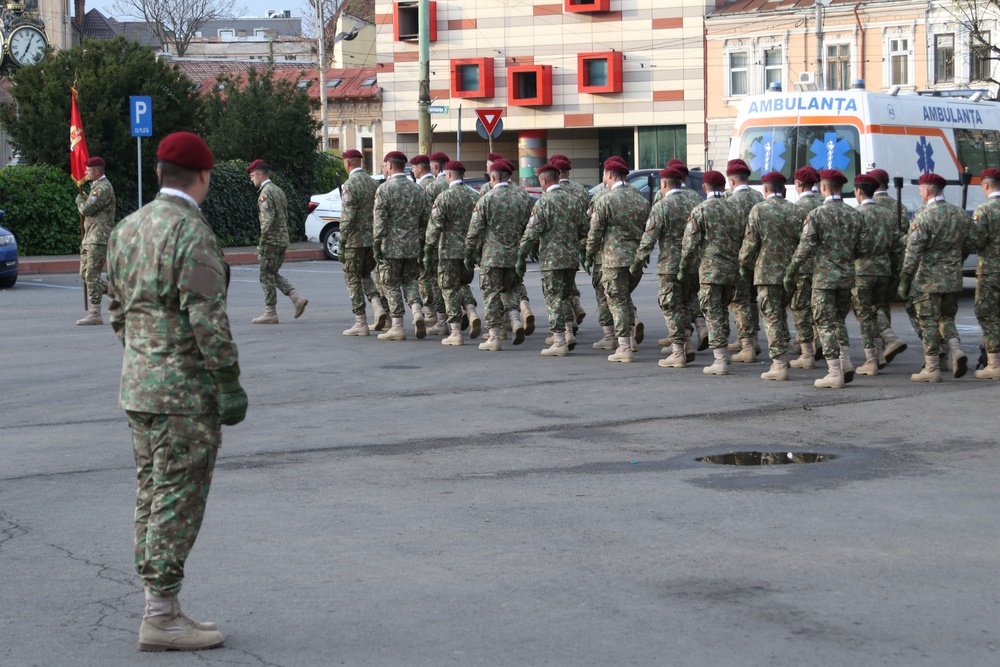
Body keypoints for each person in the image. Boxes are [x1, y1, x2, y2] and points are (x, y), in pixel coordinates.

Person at [106, 131, 245, 652]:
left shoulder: (127, 228)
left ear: (162, 175)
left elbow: (116, 309)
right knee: (178, 500)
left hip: (138, 387)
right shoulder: (192, 233)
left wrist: (145, 354)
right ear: (203, 176)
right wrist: (229, 386)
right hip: (183, 396)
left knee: (152, 493)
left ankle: (159, 606)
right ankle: (160, 616)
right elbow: (208, 321)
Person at [784, 169, 867, 388]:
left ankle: (833, 372)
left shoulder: (818, 214)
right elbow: (862, 248)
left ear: (823, 187)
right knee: (839, 321)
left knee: (824, 324)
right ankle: (845, 360)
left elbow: (806, 246)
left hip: (824, 278)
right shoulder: (855, 214)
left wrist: (792, 268)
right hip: (846, 277)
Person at [898, 172, 977, 382]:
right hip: (952, 277)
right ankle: (955, 349)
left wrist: (905, 279)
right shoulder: (959, 214)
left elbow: (913, 250)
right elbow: (972, 242)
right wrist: (956, 258)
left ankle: (932, 367)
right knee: (947, 317)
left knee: (929, 322)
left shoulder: (924, 216)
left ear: (926, 190)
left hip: (928, 279)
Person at [738, 171, 804, 381]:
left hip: (766, 272)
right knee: (782, 315)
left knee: (772, 317)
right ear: (783, 189)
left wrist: (745, 265)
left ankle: (778, 363)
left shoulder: (759, 210)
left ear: (765, 189)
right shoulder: (795, 210)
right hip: (790, 273)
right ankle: (783, 356)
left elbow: (750, 244)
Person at [585, 156, 651, 363]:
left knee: (618, 301)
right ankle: (629, 340)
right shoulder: (639, 198)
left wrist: (588, 254)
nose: (603, 177)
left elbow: (595, 232)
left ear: (610, 175)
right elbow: (647, 229)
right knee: (624, 298)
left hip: (613, 260)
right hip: (635, 259)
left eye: (604, 173)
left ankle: (624, 346)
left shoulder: (605, 199)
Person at [632, 167, 699, 368]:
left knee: (671, 307)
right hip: (693, 264)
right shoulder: (696, 202)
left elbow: (649, 237)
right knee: (687, 304)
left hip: (670, 264)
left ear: (663, 184)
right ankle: (687, 344)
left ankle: (678, 351)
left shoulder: (662, 206)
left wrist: (638, 261)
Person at [518, 162, 587, 356]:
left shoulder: (544, 202)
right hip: (571, 259)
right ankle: (567, 332)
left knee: (553, 299)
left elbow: (532, 232)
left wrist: (521, 254)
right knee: (565, 297)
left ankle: (559, 341)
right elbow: (585, 229)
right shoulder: (573, 201)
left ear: (543, 180)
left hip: (552, 260)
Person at [679, 170, 743, 375]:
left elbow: (690, 246)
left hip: (710, 271)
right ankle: (723, 352)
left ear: (704, 187)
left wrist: (683, 269)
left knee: (713, 313)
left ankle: (720, 359)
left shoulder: (701, 210)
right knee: (723, 310)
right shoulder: (736, 208)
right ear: (724, 186)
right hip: (732, 270)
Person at [466, 158, 532, 351]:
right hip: (514, 254)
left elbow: (474, 230)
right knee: (510, 290)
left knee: (492, 295)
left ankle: (494, 335)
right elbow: (530, 227)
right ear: (509, 176)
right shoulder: (523, 197)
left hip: (492, 256)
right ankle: (514, 319)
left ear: (493, 177)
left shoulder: (486, 199)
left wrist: (470, 253)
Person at [373, 151, 431, 340]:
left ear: (389, 166)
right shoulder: (417, 189)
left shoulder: (385, 189)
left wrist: (376, 244)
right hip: (412, 245)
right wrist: (420, 241)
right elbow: (425, 219)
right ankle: (417, 311)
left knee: (390, 284)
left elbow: (380, 220)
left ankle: (397, 325)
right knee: (410, 281)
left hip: (391, 246)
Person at [424, 160, 482, 345]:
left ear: (448, 175)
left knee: (448, 289)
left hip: (448, 252)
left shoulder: (444, 197)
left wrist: (428, 250)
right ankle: (471, 311)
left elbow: (434, 227)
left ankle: (456, 331)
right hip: (468, 252)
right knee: (463, 285)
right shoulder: (475, 197)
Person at [247, 159, 308, 324]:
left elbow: (267, 221)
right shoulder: (278, 190)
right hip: (282, 238)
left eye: (253, 175)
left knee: (265, 274)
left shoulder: (265, 193)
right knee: (271, 272)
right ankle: (296, 298)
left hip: (272, 240)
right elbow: (285, 215)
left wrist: (262, 244)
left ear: (260, 174)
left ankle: (270, 312)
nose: (251, 179)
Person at [851, 173, 896, 375]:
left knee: (864, 315)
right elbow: (897, 242)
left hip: (862, 270)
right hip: (883, 268)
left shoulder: (856, 214)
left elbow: (852, 245)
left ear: (859, 191)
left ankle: (871, 359)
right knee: (876, 309)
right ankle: (879, 352)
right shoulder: (887, 213)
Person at [339, 149, 386, 336]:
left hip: (354, 241)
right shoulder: (373, 183)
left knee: (352, 279)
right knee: (365, 274)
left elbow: (348, 216)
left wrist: (342, 241)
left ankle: (360, 322)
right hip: (371, 239)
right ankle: (377, 305)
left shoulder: (350, 185)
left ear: (347, 163)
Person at [725, 158, 765, 362]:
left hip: (738, 257)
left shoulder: (730, 203)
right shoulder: (759, 197)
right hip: (758, 257)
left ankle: (746, 343)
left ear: (731, 181)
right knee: (751, 299)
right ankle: (753, 338)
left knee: (739, 301)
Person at [868, 168, 910, 363]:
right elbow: (903, 236)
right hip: (893, 263)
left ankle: (880, 346)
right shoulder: (899, 206)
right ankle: (885, 346)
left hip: (872, 264)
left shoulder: (870, 207)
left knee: (873, 305)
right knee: (884, 304)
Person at [788, 166, 823, 368]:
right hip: (823, 267)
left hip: (803, 266)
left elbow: (794, 239)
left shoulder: (797, 208)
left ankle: (806, 353)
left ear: (799, 184)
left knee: (801, 309)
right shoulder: (824, 204)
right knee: (821, 309)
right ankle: (822, 343)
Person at [75, 156, 117, 325]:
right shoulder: (95, 187)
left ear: (97, 171)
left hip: (98, 237)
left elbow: (87, 209)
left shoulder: (103, 188)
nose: (85, 173)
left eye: (88, 170)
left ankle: (95, 313)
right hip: (90, 237)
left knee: (92, 275)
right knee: (84, 274)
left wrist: (80, 202)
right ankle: (120, 294)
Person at [551, 154, 589, 327]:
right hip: (576, 242)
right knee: (569, 279)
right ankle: (576, 303)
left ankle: (566, 324)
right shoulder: (580, 190)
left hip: (555, 245)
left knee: (558, 288)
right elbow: (587, 219)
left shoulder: (553, 191)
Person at [413, 154, 447, 332]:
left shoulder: (428, 188)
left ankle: (433, 313)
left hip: (433, 239)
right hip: (454, 242)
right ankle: (464, 312)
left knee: (429, 278)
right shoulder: (453, 185)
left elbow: (426, 217)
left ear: (435, 166)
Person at [972, 168, 1000, 379]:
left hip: (991, 270)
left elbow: (977, 240)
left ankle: (994, 363)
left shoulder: (985, 209)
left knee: (987, 313)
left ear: (986, 185)